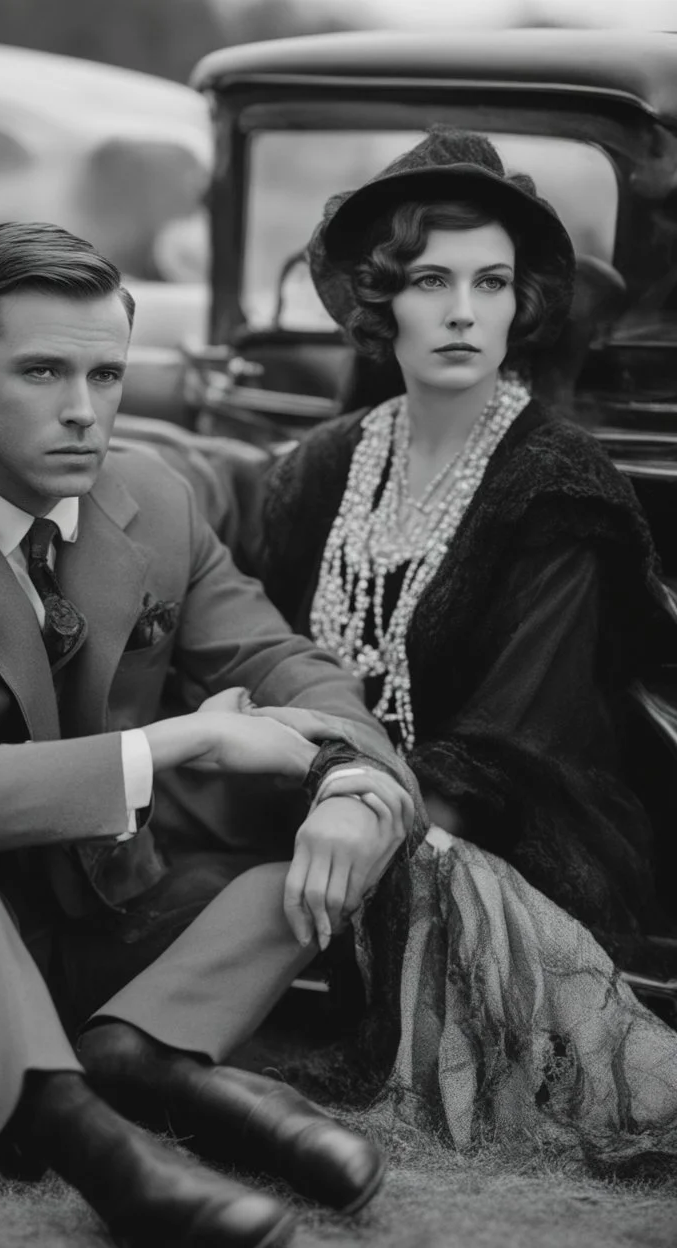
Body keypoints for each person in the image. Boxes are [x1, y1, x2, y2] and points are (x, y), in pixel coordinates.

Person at [0, 222, 425, 1248]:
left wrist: (349, 786)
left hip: (86, 932)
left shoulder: (149, 497)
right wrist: (174, 746)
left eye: (105, 373)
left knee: (325, 816)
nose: (82, 411)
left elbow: (293, 676)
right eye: (40, 371)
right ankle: (94, 1148)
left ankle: (150, 1054)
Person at [256, 127, 677, 1167]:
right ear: (378, 297)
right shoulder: (315, 472)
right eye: (430, 280)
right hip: (318, 818)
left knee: (432, 860)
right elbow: (254, 658)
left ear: (519, 303)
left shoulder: (557, 488)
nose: (460, 311)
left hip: (501, 840)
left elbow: (510, 750)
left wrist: (367, 808)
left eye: (490, 283)